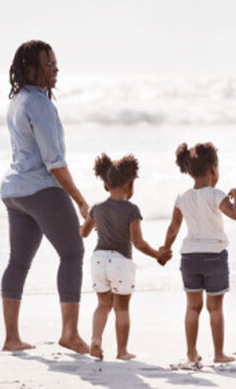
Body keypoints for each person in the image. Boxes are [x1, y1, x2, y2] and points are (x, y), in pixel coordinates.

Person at [0, 39, 90, 353]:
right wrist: (79, 199)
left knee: (18, 262)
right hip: (41, 190)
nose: (55, 69)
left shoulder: (17, 101)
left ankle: (11, 338)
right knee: (72, 253)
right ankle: (70, 334)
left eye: (55, 63)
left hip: (14, 191)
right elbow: (54, 162)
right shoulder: (40, 104)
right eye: (48, 64)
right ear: (31, 68)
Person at [79, 153, 172, 360]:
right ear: (130, 184)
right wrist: (158, 254)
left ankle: (95, 340)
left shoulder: (97, 208)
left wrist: (87, 216)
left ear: (105, 185)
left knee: (103, 304)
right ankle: (122, 351)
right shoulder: (132, 210)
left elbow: (83, 233)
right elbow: (138, 243)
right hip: (120, 262)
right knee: (121, 308)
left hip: (98, 261)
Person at [161, 142, 236, 366]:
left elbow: (173, 228)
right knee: (215, 307)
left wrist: (165, 249)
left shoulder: (182, 197)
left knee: (192, 307)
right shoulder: (215, 194)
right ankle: (218, 354)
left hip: (189, 257)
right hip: (214, 256)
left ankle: (191, 353)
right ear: (212, 169)